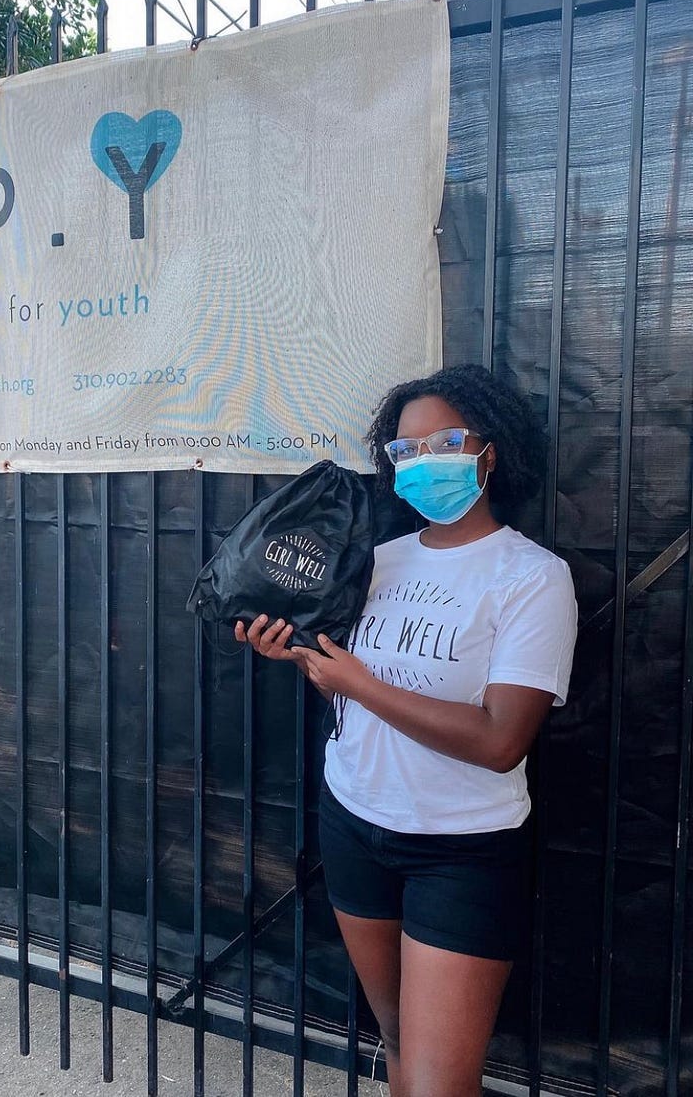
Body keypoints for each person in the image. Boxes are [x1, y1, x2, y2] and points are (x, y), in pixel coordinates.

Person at [236, 363, 577, 1097]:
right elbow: (345, 687)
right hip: (356, 822)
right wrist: (298, 655)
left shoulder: (531, 576)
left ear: (491, 451)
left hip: (463, 850)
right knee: (393, 1038)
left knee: (439, 1084)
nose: (424, 464)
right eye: (405, 452)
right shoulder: (376, 563)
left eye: (444, 442)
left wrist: (359, 681)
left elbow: (499, 741)